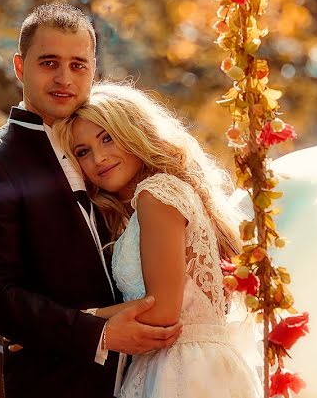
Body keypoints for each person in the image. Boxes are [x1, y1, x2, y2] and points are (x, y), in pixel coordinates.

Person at [0, 2, 182, 398]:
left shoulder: (112, 153)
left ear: (93, 69)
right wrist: (98, 332)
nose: (64, 78)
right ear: (20, 67)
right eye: (49, 63)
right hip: (56, 383)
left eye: (78, 65)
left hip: (150, 375)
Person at [55, 82, 263, 398]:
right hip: (174, 364)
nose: (99, 158)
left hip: (184, 371)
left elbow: (161, 313)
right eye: (83, 152)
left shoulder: (157, 194)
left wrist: (71, 322)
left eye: (107, 138)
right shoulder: (146, 205)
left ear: (133, 132)